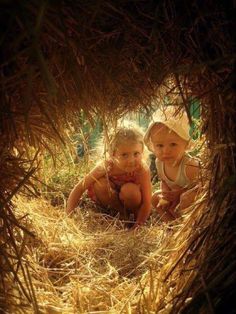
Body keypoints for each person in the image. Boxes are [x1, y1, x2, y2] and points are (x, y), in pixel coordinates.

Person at [66, 124, 152, 229]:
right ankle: (120, 217)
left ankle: (132, 219)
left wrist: (138, 227)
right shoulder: (106, 166)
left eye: (136, 154)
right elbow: (79, 188)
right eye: (124, 155)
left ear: (142, 152)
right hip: (111, 203)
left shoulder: (142, 169)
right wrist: (69, 217)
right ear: (112, 154)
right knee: (100, 184)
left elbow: (147, 203)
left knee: (130, 191)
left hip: (131, 204)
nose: (131, 160)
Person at [144, 107, 200, 222]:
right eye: (159, 146)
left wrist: (180, 193)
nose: (165, 151)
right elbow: (164, 181)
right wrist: (165, 194)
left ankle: (186, 227)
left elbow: (202, 188)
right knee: (154, 198)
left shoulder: (190, 166)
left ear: (185, 144)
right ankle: (171, 225)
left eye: (173, 144)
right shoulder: (159, 163)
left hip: (190, 202)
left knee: (186, 198)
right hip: (175, 199)